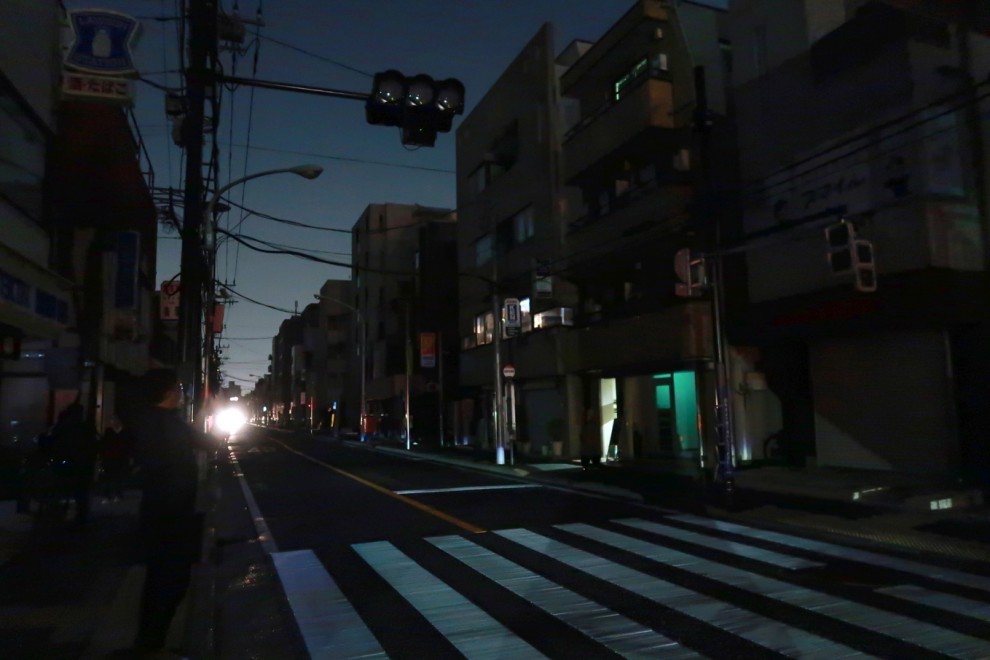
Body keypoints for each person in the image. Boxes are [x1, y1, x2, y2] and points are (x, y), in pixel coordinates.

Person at [129, 368, 218, 654]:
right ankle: (151, 646)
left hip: (157, 512)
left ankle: (148, 644)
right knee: (172, 582)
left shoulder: (150, 421)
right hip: (174, 517)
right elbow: (206, 442)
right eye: (178, 388)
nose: (181, 392)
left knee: (158, 582)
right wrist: (208, 419)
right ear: (168, 392)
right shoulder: (169, 424)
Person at [42, 401, 100, 525]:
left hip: (75, 462)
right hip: (73, 462)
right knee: (75, 491)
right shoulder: (76, 427)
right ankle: (72, 514)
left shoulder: (72, 427)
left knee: (71, 490)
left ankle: (70, 514)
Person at [99, 415, 133, 500]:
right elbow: (105, 445)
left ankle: (117, 492)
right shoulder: (110, 432)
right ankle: (109, 493)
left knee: (118, 475)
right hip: (111, 457)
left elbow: (128, 445)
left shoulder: (123, 432)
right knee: (110, 475)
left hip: (120, 457)